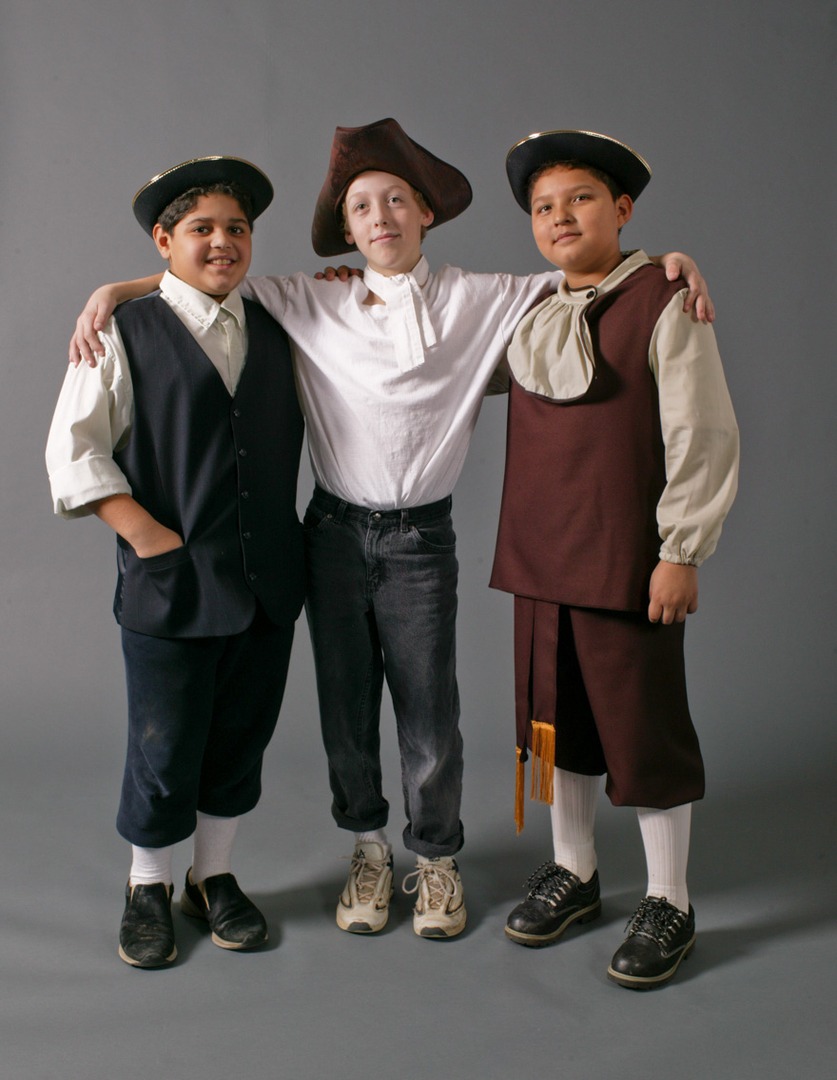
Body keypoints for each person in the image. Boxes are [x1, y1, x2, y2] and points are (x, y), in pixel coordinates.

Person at [68, 119, 711, 943]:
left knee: (428, 713)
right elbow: (197, 284)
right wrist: (113, 291)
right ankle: (367, 849)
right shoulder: (308, 296)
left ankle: (436, 860)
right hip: (330, 534)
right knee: (344, 708)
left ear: (426, 214)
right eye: (361, 206)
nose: (379, 219)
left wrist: (666, 263)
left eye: (396, 202)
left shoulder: (490, 299)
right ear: (345, 227)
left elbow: (589, 280)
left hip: (421, 542)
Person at [489, 130, 739, 988]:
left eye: (580, 199)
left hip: (628, 560)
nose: (560, 218)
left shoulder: (661, 298)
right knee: (555, 726)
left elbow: (699, 431)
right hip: (538, 559)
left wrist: (681, 549)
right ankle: (578, 871)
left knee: (643, 727)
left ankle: (668, 896)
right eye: (542, 207)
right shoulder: (524, 310)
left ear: (623, 210)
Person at [46, 157, 305, 968]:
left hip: (266, 582)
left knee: (239, 739)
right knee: (164, 746)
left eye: (237, 228)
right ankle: (147, 885)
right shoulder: (121, 330)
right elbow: (74, 452)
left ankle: (213, 878)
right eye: (202, 229)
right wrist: (146, 536)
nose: (222, 242)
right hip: (170, 585)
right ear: (164, 240)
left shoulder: (275, 323)